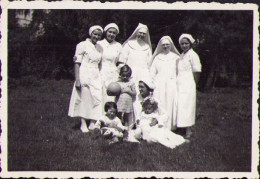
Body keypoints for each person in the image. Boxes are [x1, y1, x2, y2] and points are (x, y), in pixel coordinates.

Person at [68, 25, 103, 133]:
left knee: (96, 97)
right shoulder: (82, 45)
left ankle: (92, 122)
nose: (96, 37)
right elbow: (77, 63)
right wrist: (77, 79)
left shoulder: (100, 47)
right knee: (85, 98)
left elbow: (99, 63)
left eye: (98, 35)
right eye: (94, 34)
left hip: (95, 74)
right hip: (85, 72)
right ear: (90, 34)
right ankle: (83, 123)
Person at [150, 36, 180, 130]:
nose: (165, 46)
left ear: (171, 45)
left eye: (167, 44)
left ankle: (171, 126)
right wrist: (152, 83)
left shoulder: (176, 57)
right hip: (159, 83)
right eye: (163, 45)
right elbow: (152, 72)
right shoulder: (157, 58)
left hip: (172, 83)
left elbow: (179, 72)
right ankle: (159, 125)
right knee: (160, 103)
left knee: (171, 102)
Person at [176, 33, 202, 139]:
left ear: (190, 44)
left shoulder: (193, 55)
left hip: (188, 83)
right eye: (182, 44)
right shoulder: (181, 56)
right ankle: (181, 127)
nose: (184, 45)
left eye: (186, 43)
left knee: (188, 106)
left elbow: (197, 71)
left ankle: (188, 130)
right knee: (180, 105)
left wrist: (194, 83)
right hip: (180, 83)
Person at [96, 23, 122, 103]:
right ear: (106, 32)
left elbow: (120, 61)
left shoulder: (118, 45)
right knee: (101, 94)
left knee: (112, 95)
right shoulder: (99, 44)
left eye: (114, 33)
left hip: (114, 72)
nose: (112, 34)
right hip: (101, 71)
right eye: (110, 32)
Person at [115, 65, 136, 129]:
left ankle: (127, 127)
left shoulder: (131, 83)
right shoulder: (118, 83)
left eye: (127, 76)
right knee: (119, 113)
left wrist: (128, 91)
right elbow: (114, 92)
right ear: (120, 74)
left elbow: (134, 93)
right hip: (119, 101)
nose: (125, 77)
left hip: (128, 102)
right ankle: (118, 126)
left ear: (129, 75)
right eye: (123, 75)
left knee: (127, 114)